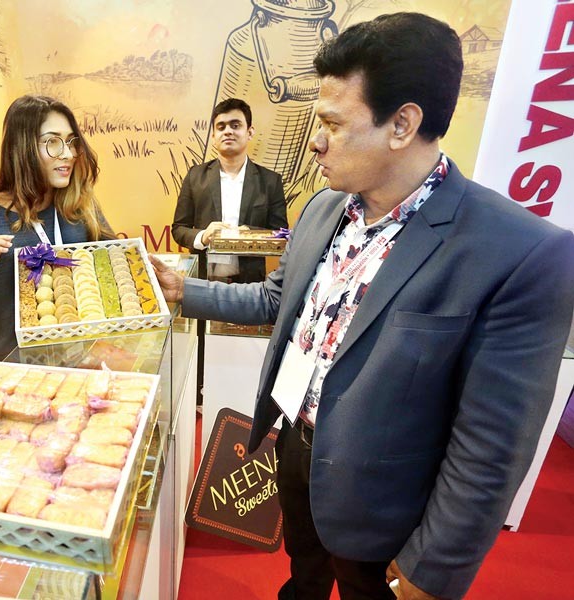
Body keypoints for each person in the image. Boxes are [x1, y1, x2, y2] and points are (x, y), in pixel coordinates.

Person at [151, 12, 574, 600]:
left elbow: (492, 443)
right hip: (294, 448)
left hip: (384, 502)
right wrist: (183, 290)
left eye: (332, 123)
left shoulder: (518, 253)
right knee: (303, 573)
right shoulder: (326, 207)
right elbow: (278, 300)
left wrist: (435, 567)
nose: (316, 141)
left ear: (402, 124)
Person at [0, 95, 114, 359]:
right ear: (22, 148)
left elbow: (110, 262)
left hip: (80, 357)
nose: (68, 154)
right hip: (13, 365)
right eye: (52, 142)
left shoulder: (80, 205)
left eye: (71, 142)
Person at [171, 97, 287, 283]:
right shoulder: (195, 176)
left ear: (249, 132)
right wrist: (203, 236)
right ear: (213, 136)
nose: (228, 131)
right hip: (203, 280)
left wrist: (248, 234)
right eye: (221, 127)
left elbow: (280, 234)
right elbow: (179, 229)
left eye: (235, 125)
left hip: (250, 284)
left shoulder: (270, 181)